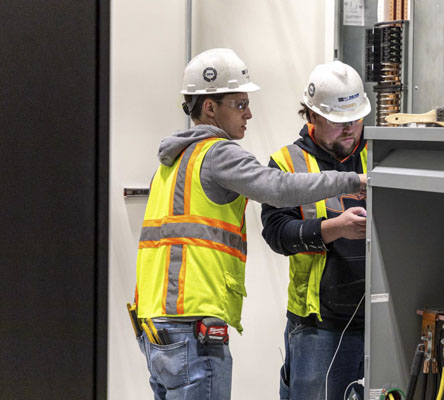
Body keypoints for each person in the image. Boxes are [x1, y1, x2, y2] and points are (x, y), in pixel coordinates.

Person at [133, 49, 367, 400]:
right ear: (210, 108)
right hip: (192, 322)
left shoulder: (172, 161)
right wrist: (354, 182)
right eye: (240, 104)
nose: (249, 113)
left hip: (157, 323)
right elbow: (278, 187)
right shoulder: (218, 154)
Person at [261, 61, 371, 400]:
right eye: (339, 122)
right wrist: (334, 229)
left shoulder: (381, 153)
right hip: (319, 326)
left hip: (381, 318)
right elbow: (277, 233)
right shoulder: (286, 163)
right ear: (312, 116)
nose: (350, 128)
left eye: (356, 118)